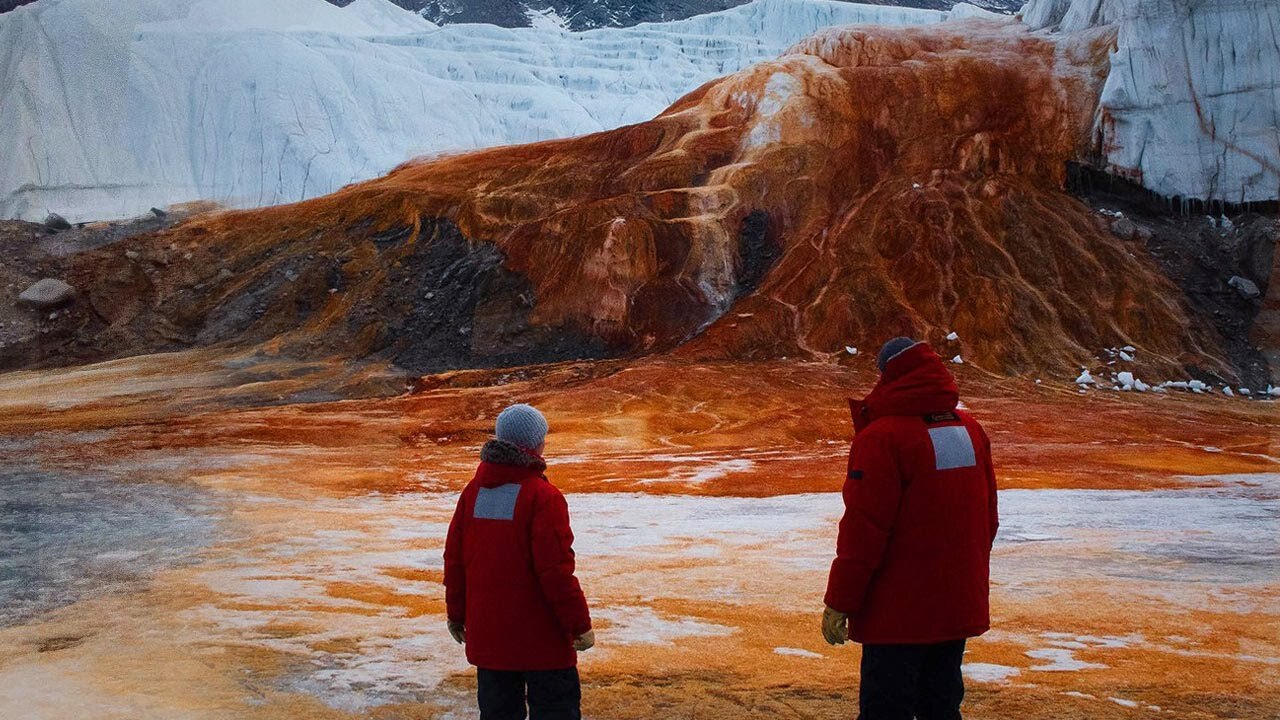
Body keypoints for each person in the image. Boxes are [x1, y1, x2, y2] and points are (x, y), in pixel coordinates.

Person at [822, 337, 999, 720]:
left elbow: (863, 532)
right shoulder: (970, 430)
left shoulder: (882, 438)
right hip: (954, 606)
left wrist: (839, 602)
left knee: (886, 710)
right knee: (941, 707)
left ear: (890, 375)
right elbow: (988, 520)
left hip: (897, 615)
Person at [444, 403, 594, 720]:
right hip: (543, 642)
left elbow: (455, 560)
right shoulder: (542, 497)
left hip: (490, 639)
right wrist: (579, 625)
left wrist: (456, 614)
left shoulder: (473, 492)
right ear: (535, 444)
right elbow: (555, 572)